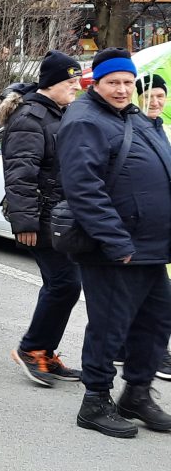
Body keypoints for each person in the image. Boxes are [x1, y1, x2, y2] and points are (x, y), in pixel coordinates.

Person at [58, 48, 171, 438]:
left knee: (156, 325)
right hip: (114, 250)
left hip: (152, 248)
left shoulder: (136, 119)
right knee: (109, 327)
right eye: (114, 82)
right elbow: (83, 189)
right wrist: (115, 240)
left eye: (127, 82)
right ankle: (95, 401)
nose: (123, 89)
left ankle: (136, 394)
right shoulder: (84, 121)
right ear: (97, 83)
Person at [0, 51, 84, 387]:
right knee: (65, 284)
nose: (76, 85)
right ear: (52, 83)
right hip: (41, 218)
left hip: (59, 215)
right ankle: (32, 349)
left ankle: (44, 351)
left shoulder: (57, 113)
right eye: (70, 80)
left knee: (61, 285)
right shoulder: (30, 118)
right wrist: (26, 224)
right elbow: (20, 175)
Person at [136, 73, 171, 382]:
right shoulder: (132, 129)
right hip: (139, 231)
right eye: (150, 95)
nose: (156, 101)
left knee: (156, 299)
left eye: (161, 95)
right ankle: (155, 356)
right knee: (157, 302)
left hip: (158, 230)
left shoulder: (159, 130)